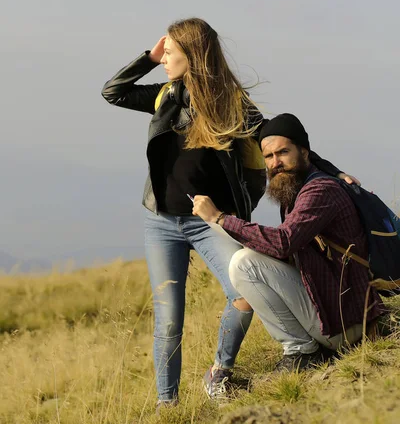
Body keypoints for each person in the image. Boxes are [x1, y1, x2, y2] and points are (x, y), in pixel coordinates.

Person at [102, 20, 353, 405]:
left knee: (242, 293)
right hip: (161, 222)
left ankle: (219, 373)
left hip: (209, 220)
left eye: (170, 53)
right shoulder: (165, 96)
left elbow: (279, 138)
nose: (164, 59)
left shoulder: (231, 104)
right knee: (168, 320)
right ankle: (166, 403)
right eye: (163, 54)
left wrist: (331, 171)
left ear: (193, 56)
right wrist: (148, 59)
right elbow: (113, 92)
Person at [193, 113, 385, 372]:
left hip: (348, 325)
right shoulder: (296, 189)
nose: (276, 163)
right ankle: (303, 348)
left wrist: (220, 218)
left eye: (283, 152)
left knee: (244, 263)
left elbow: (283, 242)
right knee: (253, 256)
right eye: (269, 157)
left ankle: (301, 351)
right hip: (338, 313)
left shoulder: (320, 191)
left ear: (304, 152)